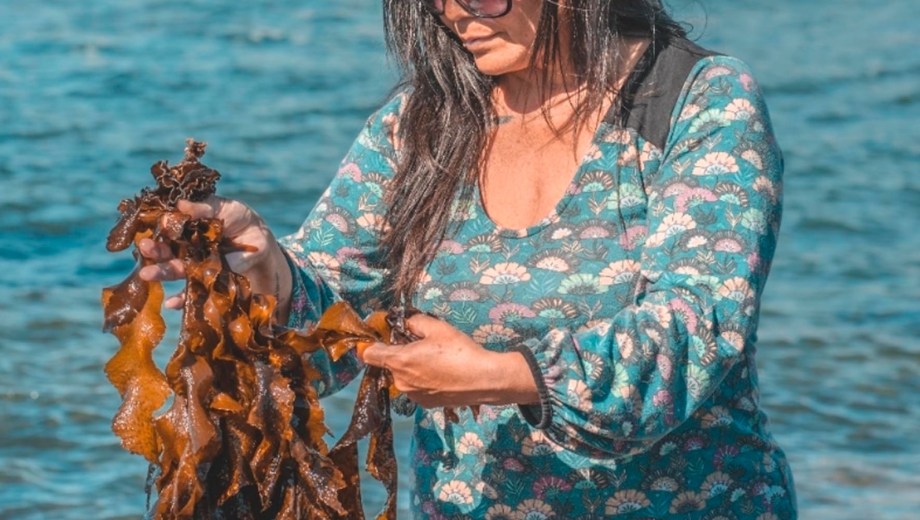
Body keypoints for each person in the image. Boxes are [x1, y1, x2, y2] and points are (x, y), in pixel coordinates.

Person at [140, 0, 797, 517]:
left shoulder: (698, 100)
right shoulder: (420, 126)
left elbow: (698, 329)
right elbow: (335, 321)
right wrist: (265, 270)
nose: (453, 13)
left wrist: (505, 375)